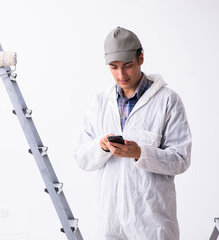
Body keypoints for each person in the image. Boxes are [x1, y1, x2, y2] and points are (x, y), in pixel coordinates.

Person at [74, 27, 192, 239]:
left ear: (141, 58)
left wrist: (140, 153)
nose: (121, 75)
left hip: (152, 226)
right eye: (114, 67)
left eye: (127, 66)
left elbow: (181, 160)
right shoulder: (100, 102)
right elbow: (82, 158)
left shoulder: (167, 101)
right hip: (110, 223)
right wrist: (100, 147)